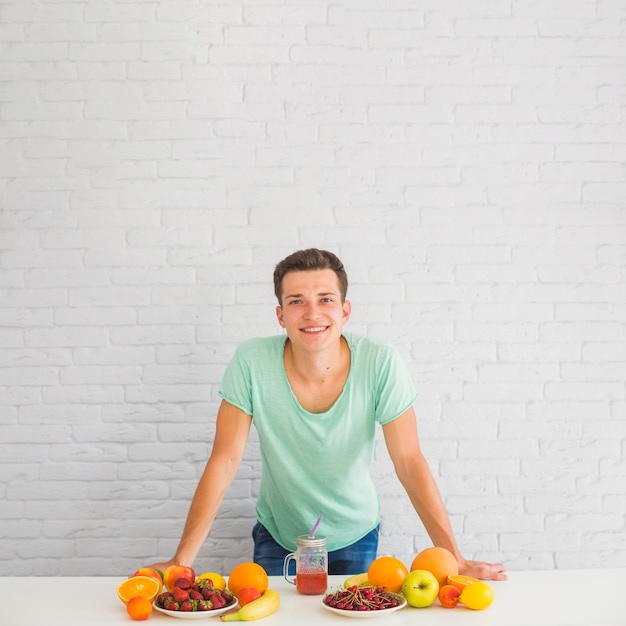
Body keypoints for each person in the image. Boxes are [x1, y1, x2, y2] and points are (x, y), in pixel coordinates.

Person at [149, 248, 507, 580]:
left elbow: (409, 461)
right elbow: (224, 460)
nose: (312, 313)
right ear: (281, 315)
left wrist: (454, 559)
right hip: (280, 537)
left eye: (325, 300)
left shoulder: (380, 361)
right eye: (296, 302)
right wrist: (181, 562)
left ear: (344, 311)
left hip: (355, 534)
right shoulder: (251, 362)